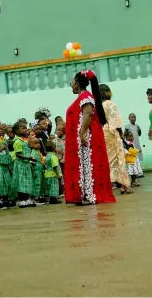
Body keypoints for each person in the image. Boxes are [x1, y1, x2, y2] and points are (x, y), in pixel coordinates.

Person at [63, 70, 116, 206]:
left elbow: (88, 114)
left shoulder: (86, 97)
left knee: (88, 165)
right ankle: (84, 194)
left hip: (86, 137)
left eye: (72, 82)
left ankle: (89, 195)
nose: (71, 84)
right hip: (83, 137)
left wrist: (81, 133)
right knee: (84, 166)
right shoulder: (83, 96)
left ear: (77, 84)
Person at [98, 84, 133, 194]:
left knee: (106, 160)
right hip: (111, 133)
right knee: (119, 159)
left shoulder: (98, 106)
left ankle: (105, 186)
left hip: (102, 133)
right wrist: (121, 134)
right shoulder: (110, 104)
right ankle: (124, 185)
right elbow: (116, 121)